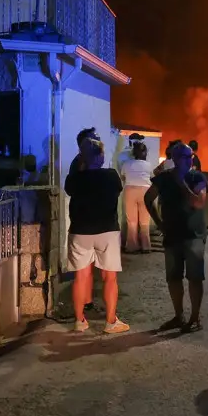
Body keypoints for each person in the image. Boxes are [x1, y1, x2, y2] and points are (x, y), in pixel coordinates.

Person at [64, 139, 129, 334]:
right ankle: (110, 321)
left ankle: (79, 321)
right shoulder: (111, 176)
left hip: (80, 231)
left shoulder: (74, 178)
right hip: (107, 230)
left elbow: (70, 189)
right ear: (100, 156)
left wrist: (81, 166)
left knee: (81, 276)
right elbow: (117, 190)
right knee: (109, 277)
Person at [145, 143, 208, 333]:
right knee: (173, 278)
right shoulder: (163, 179)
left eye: (190, 156)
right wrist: (159, 222)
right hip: (172, 235)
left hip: (194, 236)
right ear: (174, 158)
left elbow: (198, 203)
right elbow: (148, 198)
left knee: (195, 278)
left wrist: (181, 183)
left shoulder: (197, 177)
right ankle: (178, 316)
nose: (188, 160)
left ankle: (195, 318)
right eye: (184, 156)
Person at [121, 141, 154, 253]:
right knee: (144, 221)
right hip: (145, 191)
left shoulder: (127, 164)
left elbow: (123, 177)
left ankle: (132, 246)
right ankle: (146, 246)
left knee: (132, 221)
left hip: (130, 190)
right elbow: (152, 177)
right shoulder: (148, 165)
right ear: (145, 153)